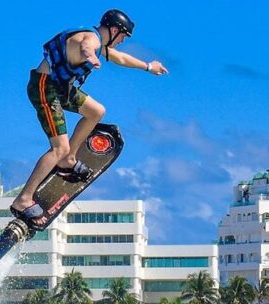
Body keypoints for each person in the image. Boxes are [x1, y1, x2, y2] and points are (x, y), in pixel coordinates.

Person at [11, 9, 168, 227]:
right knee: (59, 148)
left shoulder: (100, 43)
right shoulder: (92, 39)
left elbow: (121, 58)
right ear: (114, 30)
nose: (122, 41)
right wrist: (91, 56)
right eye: (123, 36)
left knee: (96, 111)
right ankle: (24, 199)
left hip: (61, 88)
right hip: (44, 88)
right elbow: (86, 45)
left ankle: (68, 160)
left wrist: (149, 66)